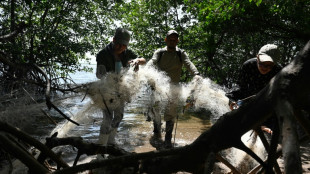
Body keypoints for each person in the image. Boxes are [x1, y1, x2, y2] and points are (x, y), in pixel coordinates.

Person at [146, 30, 201, 148]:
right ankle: (157, 134)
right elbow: (152, 61)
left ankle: (167, 141)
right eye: (170, 39)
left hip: (173, 89)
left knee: (170, 114)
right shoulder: (159, 52)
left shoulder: (181, 53)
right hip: (158, 88)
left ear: (177, 41)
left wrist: (196, 73)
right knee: (156, 112)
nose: (172, 41)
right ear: (166, 40)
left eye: (174, 40)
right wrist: (147, 68)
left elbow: (188, 63)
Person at [96, 28, 146, 146]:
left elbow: (144, 60)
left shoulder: (127, 53)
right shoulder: (102, 54)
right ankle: (101, 145)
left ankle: (111, 142)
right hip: (106, 90)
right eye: (118, 44)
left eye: (124, 45)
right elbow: (99, 75)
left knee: (119, 116)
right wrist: (109, 77)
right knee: (107, 118)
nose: (120, 48)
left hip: (121, 90)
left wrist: (137, 61)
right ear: (113, 40)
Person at [226, 44, 282, 134]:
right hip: (249, 97)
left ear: (274, 64)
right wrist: (233, 101)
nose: (264, 68)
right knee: (232, 102)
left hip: (267, 100)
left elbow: (277, 96)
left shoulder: (278, 71)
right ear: (257, 57)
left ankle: (264, 127)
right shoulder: (248, 65)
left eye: (269, 66)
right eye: (262, 63)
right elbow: (240, 87)